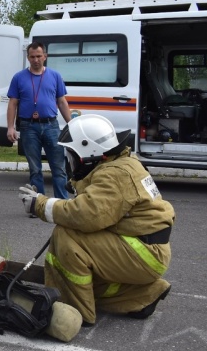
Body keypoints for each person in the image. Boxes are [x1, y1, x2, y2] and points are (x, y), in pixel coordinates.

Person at [18, 114, 174, 326]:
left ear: (87, 151)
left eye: (72, 153)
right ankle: (144, 295)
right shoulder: (118, 165)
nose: (69, 159)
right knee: (85, 275)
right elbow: (100, 201)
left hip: (144, 253)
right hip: (142, 246)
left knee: (68, 236)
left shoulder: (116, 174)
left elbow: (85, 215)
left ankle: (75, 313)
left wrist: (39, 204)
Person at [6, 42, 72, 201]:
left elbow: (62, 102)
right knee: (35, 169)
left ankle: (61, 204)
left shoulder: (55, 76)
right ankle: (37, 203)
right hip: (28, 127)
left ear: (45, 56)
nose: (36, 60)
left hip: (51, 126)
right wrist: (10, 127)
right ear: (28, 58)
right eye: (32, 57)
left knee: (59, 168)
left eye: (39, 56)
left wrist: (72, 124)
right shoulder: (18, 77)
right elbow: (13, 103)